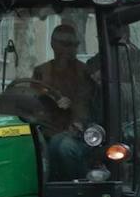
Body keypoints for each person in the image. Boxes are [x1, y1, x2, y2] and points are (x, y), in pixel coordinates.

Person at [31, 23, 95, 180]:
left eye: (75, 45)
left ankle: (78, 188)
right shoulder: (41, 72)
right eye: (66, 44)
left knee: (62, 147)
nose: (71, 49)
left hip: (79, 133)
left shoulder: (84, 72)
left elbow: (86, 101)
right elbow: (32, 99)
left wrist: (77, 119)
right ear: (53, 45)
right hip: (45, 128)